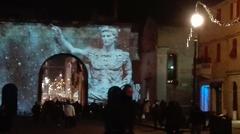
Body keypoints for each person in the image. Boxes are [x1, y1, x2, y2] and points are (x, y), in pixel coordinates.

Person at [52, 25, 132, 102]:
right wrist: (60, 36)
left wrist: (124, 84)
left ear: (115, 38)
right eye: (103, 36)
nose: (105, 39)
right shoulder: (93, 53)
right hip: (94, 93)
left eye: (108, 36)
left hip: (115, 93)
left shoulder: (123, 55)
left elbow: (129, 72)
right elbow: (72, 50)